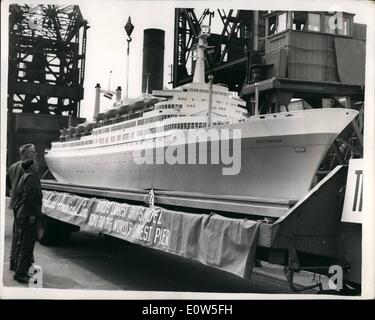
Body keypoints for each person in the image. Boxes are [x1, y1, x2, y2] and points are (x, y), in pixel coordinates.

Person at [6, 144, 38, 271]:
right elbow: (28, 189)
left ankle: (14, 261)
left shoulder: (12, 166)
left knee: (17, 234)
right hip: (23, 206)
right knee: (26, 238)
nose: (35, 154)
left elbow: (8, 185)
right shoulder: (29, 168)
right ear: (27, 154)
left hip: (15, 204)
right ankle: (23, 264)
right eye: (33, 151)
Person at [13, 159, 42, 283]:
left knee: (22, 244)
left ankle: (19, 270)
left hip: (21, 214)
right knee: (27, 246)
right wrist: (31, 215)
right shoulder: (32, 178)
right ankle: (20, 274)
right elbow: (29, 197)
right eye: (35, 164)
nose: (37, 165)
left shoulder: (24, 177)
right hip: (27, 215)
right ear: (30, 167)